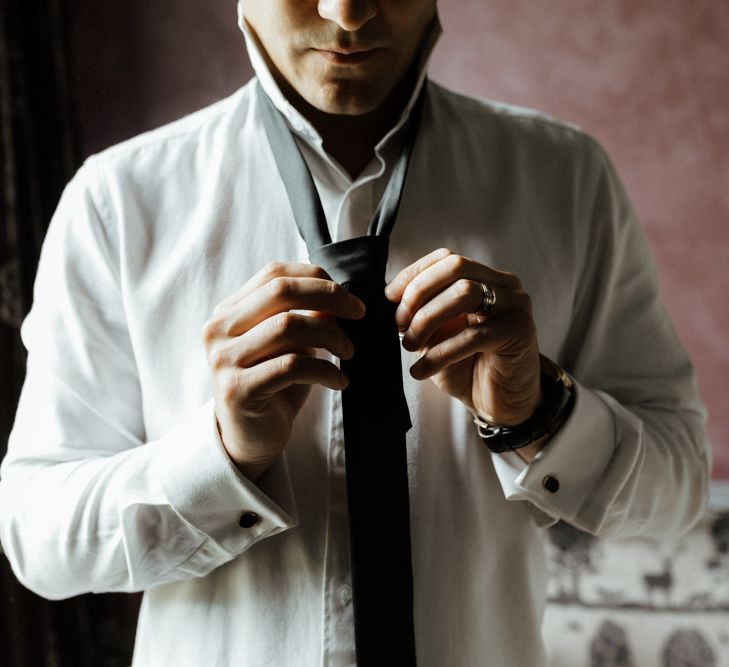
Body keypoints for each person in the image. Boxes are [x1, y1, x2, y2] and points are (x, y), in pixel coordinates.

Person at [0, 1, 710, 665]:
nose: (348, 13)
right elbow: (40, 539)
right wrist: (222, 454)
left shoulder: (566, 179)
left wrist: (538, 413)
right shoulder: (118, 203)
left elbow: (676, 491)